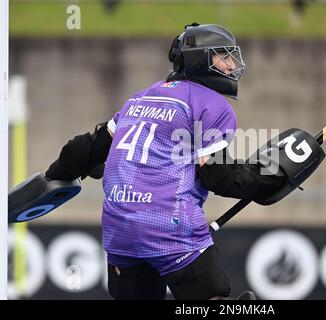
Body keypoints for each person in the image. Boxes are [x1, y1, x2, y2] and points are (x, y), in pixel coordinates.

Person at [44, 23, 286, 300]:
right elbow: (221, 177)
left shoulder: (141, 97)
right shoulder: (212, 106)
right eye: (223, 55)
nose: (232, 63)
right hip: (171, 229)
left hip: (118, 230)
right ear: (201, 60)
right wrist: (270, 180)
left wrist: (52, 176)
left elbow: (86, 149)